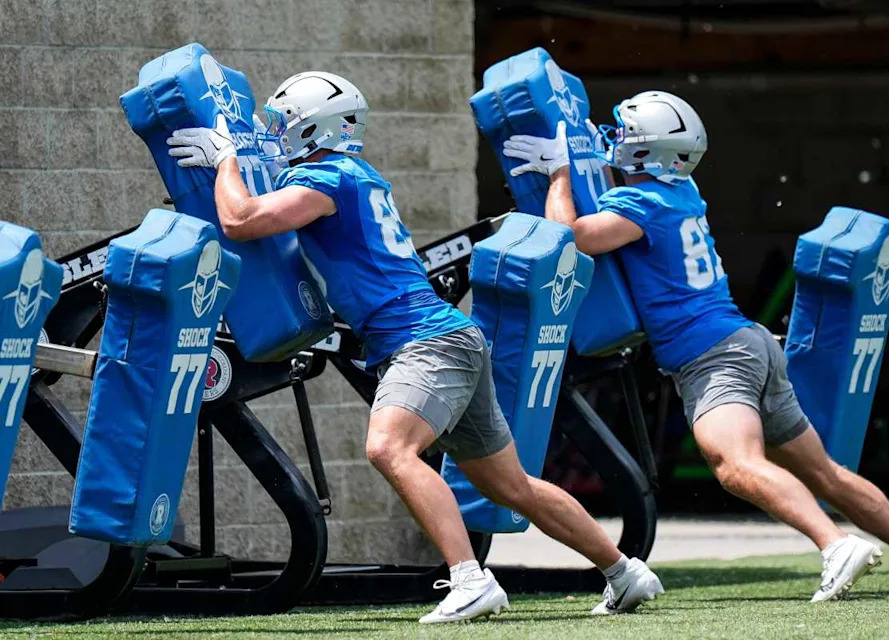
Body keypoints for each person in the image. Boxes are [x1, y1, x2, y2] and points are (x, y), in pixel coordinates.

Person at [166, 70, 664, 622]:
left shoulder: (329, 177)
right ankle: (625, 572)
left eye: (285, 123)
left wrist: (225, 161)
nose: (275, 133)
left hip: (425, 342)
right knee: (512, 485)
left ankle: (469, 580)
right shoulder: (346, 174)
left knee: (389, 448)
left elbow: (240, 221)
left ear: (313, 129)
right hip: (446, 336)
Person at [502, 90, 889, 601]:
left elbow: (569, 236)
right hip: (749, 344)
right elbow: (621, 191)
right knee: (825, 473)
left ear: (646, 152)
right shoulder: (680, 190)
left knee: (734, 465)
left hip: (714, 355)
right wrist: (582, 158)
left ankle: (835, 545)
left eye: (627, 135)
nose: (616, 141)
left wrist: (562, 173)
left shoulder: (642, 203)